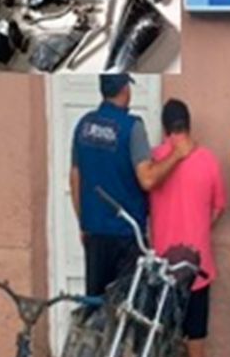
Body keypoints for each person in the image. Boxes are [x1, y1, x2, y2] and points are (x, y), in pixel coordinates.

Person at [71, 73, 187, 296]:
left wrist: (83, 223)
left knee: (96, 304)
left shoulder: (84, 125)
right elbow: (147, 179)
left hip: (95, 232)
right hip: (126, 233)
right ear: (125, 89)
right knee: (127, 306)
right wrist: (176, 154)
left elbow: (75, 177)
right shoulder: (132, 127)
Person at [146, 99, 225, 357]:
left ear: (165, 128)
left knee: (163, 323)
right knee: (196, 325)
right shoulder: (208, 160)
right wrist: (198, 228)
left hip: (163, 262)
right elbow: (217, 209)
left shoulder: (154, 160)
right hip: (197, 261)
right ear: (189, 125)